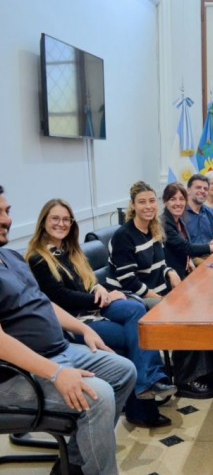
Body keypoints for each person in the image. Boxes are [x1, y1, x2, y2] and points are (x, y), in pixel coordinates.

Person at [0, 185, 136, 475]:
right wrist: (57, 373)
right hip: (16, 375)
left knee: (124, 372)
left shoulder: (11, 257)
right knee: (98, 397)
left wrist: (83, 330)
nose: (6, 219)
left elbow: (44, 303)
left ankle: (74, 463)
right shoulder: (35, 257)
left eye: (7, 211)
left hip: (61, 349)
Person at [26, 199, 176, 428]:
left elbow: (86, 283)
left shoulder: (70, 251)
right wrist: (98, 299)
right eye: (55, 219)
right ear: (43, 222)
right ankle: (144, 399)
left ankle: (148, 384)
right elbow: (60, 298)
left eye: (66, 219)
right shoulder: (38, 259)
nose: (61, 223)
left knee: (137, 310)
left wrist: (99, 289)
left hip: (93, 307)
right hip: (73, 322)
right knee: (131, 337)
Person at [108, 181, 213, 399]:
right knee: (184, 315)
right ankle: (186, 380)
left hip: (157, 290)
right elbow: (129, 281)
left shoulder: (153, 229)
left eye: (150, 201)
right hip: (132, 297)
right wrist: (157, 297)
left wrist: (169, 272)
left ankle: (198, 371)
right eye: (142, 202)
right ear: (132, 206)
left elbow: (160, 263)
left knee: (199, 304)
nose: (147, 206)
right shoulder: (124, 236)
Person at [162, 182, 213, 279]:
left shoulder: (180, 219)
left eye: (182, 199)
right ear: (165, 202)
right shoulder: (165, 223)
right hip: (172, 276)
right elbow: (187, 248)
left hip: (185, 269)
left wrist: (210, 243)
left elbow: (182, 246)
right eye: (173, 199)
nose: (178, 203)